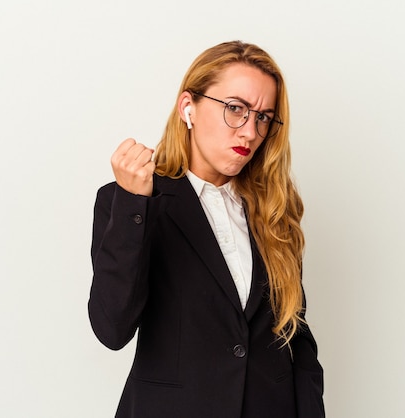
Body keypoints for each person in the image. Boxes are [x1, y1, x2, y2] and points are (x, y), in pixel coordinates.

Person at [88, 40, 325, 418]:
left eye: (263, 117)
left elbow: (295, 334)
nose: (250, 131)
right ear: (189, 108)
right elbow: (111, 328)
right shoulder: (134, 202)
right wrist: (135, 205)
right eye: (235, 109)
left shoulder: (274, 210)